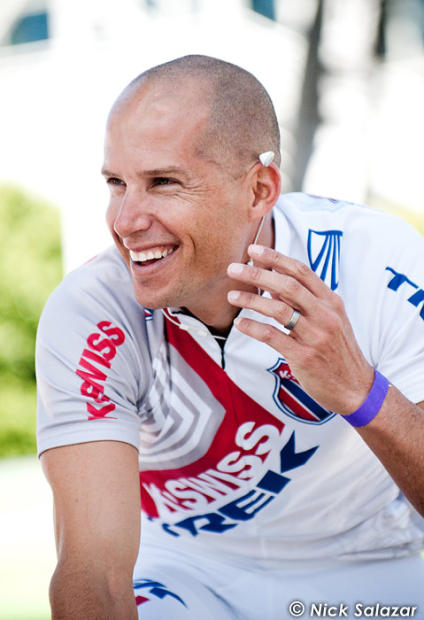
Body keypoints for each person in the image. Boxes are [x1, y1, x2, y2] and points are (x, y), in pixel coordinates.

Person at [36, 55, 424, 619]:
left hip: (371, 570)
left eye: (163, 182)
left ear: (259, 190)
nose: (125, 221)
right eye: (117, 183)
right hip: (187, 574)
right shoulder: (89, 308)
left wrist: (360, 391)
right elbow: (94, 572)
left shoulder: (377, 261)